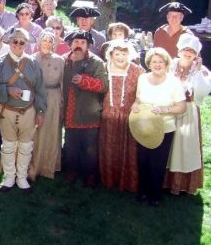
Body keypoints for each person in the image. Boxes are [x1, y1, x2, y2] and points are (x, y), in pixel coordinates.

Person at [0, 28, 46, 192]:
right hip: (7, 111)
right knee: (8, 145)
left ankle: (21, 177)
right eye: (15, 41)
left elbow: (40, 89)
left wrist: (40, 111)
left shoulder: (33, 63)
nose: (18, 45)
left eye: (22, 42)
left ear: (26, 44)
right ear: (9, 42)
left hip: (29, 111)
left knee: (26, 146)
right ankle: (9, 177)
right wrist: (7, 90)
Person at [131, 47, 186, 206]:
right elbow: (138, 99)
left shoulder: (173, 82)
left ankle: (155, 195)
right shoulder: (142, 78)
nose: (157, 64)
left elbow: (181, 107)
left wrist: (164, 110)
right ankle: (142, 193)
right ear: (149, 63)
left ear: (166, 63)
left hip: (164, 128)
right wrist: (135, 105)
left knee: (157, 163)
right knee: (143, 160)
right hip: (143, 127)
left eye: (160, 62)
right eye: (154, 61)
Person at [164, 34, 211, 195]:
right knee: (168, 145)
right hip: (170, 109)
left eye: (192, 51)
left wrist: (197, 72)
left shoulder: (201, 70)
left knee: (185, 147)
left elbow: (203, 92)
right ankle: (166, 181)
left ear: (196, 54)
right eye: (185, 49)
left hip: (189, 111)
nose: (188, 53)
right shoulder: (170, 65)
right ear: (179, 50)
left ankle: (182, 184)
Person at [62, 30, 108, 188]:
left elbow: (103, 85)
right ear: (70, 44)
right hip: (68, 113)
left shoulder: (96, 62)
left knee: (90, 149)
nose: (78, 45)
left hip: (90, 114)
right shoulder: (64, 61)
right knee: (71, 147)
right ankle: (72, 172)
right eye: (75, 42)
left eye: (82, 42)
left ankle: (91, 175)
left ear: (88, 45)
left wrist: (84, 81)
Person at [98, 40, 144, 192]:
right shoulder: (104, 68)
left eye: (124, 54)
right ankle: (109, 180)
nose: (120, 57)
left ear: (129, 55)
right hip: (108, 116)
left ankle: (127, 182)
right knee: (109, 148)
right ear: (110, 55)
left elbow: (143, 91)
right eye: (117, 54)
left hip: (128, 116)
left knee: (127, 149)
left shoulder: (137, 71)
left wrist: (137, 102)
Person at [29, 31, 65, 180]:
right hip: (36, 97)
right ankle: (33, 167)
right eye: (44, 40)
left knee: (51, 131)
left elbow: (63, 80)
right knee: (35, 131)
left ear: (54, 44)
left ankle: (49, 167)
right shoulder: (31, 59)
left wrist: (62, 99)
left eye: (50, 41)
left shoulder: (59, 60)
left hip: (54, 98)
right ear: (39, 42)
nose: (47, 44)